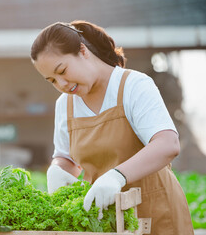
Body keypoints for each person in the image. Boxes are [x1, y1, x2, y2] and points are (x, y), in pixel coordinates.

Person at [30, 20, 193, 235]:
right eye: (52, 80)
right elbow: (67, 158)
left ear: (82, 50)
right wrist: (58, 169)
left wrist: (117, 176)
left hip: (156, 216)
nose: (61, 84)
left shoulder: (133, 85)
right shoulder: (65, 105)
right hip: (105, 224)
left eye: (62, 70)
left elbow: (167, 144)